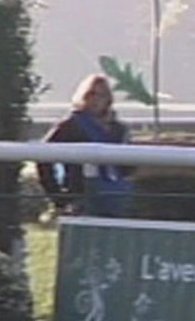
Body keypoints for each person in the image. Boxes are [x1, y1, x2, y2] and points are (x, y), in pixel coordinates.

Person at [37, 74, 134, 217]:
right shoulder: (71, 125)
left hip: (117, 195)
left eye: (101, 95)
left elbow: (128, 166)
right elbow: (43, 156)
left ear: (108, 99)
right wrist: (57, 196)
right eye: (91, 94)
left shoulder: (118, 129)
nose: (95, 100)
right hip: (80, 197)